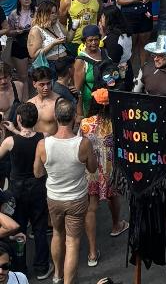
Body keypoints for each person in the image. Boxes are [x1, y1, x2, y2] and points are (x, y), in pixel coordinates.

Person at [33, 98, 97, 284]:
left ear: (55, 117)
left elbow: (37, 173)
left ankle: (57, 275)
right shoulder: (83, 144)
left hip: (54, 197)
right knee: (72, 242)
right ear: (74, 118)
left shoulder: (43, 145)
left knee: (57, 234)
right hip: (77, 198)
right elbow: (92, 169)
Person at [0, 102, 49, 280]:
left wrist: (11, 131)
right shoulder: (43, 137)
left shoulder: (10, 141)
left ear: (19, 119)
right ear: (36, 119)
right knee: (40, 228)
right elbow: (29, 137)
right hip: (37, 187)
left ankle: (20, 268)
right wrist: (16, 130)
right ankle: (42, 267)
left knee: (18, 230)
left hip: (17, 190)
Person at [80, 88, 128, 269]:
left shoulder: (85, 123)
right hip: (110, 169)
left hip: (90, 171)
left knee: (91, 207)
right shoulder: (117, 122)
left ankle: (92, 252)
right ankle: (116, 225)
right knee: (113, 196)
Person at [114, 0, 156, 71]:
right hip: (129, 18)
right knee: (130, 46)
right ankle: (130, 71)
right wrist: (133, 0)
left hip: (145, 16)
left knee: (144, 44)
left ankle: (144, 70)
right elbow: (120, 0)